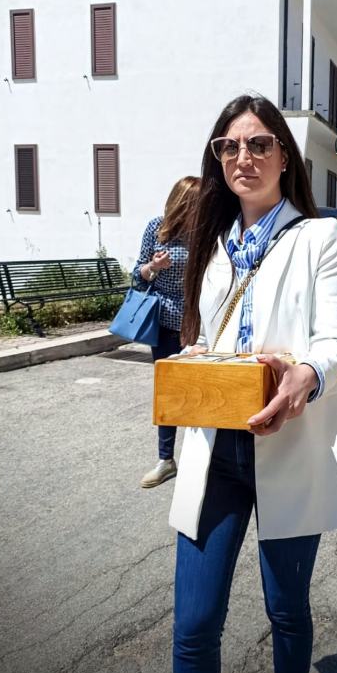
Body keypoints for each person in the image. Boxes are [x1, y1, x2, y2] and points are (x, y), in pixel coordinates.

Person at [169, 94, 337, 673]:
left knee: (285, 608)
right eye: (228, 146)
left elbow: (335, 338)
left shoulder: (320, 237)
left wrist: (306, 376)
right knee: (193, 623)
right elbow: (212, 333)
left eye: (259, 143)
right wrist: (195, 356)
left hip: (290, 444)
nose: (242, 157)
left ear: (285, 156)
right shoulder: (213, 243)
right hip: (215, 452)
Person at [133, 176, 201, 488]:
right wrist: (153, 268)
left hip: (196, 325)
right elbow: (138, 277)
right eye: (193, 204)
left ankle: (202, 458)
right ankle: (166, 459)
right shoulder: (156, 229)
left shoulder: (205, 232)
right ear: (180, 203)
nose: (198, 210)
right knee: (167, 394)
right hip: (163, 324)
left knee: (198, 392)